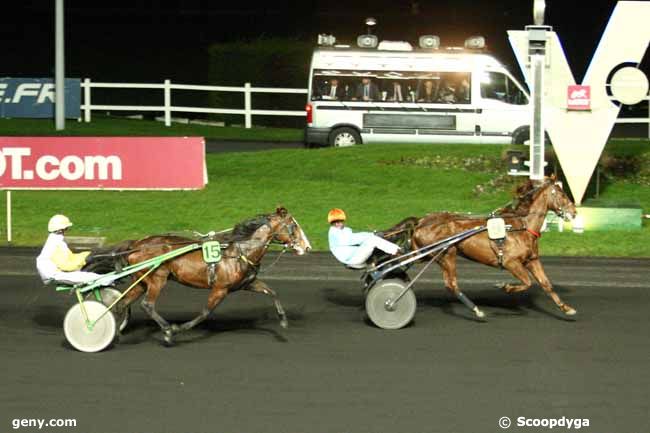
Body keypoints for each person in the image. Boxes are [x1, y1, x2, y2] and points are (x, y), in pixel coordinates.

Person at [36, 214, 105, 285]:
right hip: (55, 275)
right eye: (66, 228)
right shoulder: (54, 245)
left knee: (94, 277)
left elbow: (70, 257)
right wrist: (83, 261)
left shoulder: (57, 241)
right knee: (94, 278)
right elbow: (66, 266)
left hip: (58, 272)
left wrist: (86, 255)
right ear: (60, 230)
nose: (67, 231)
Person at [327, 208, 400, 268]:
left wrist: (372, 234)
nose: (337, 224)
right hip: (352, 258)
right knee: (372, 240)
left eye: (339, 221)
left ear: (343, 220)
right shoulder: (334, 233)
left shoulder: (344, 230)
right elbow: (353, 239)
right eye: (334, 222)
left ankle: (391, 253)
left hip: (354, 254)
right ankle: (398, 252)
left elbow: (357, 237)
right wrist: (373, 234)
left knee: (371, 240)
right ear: (331, 223)